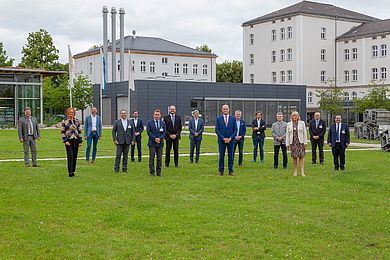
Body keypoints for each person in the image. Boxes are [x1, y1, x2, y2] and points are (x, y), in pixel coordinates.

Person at [215, 104, 237, 176]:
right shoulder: (218, 119)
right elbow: (217, 130)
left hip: (231, 141)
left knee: (231, 156)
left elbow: (235, 130)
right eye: (224, 109)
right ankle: (221, 171)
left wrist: (230, 138)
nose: (225, 110)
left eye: (226, 109)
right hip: (222, 141)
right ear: (222, 110)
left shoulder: (233, 119)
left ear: (229, 110)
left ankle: (231, 171)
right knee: (221, 156)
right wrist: (223, 138)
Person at [61, 108, 83, 177]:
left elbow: (79, 131)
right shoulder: (65, 121)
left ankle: (73, 171)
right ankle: (70, 172)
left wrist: (80, 141)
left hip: (75, 140)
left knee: (74, 156)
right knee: (70, 156)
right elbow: (62, 132)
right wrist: (65, 140)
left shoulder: (76, 121)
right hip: (69, 140)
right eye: (70, 112)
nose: (71, 114)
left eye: (72, 112)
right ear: (68, 113)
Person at [286, 111, 308, 177]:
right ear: (291, 117)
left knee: (301, 157)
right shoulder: (289, 124)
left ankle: (302, 171)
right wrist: (287, 144)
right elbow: (287, 134)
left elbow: (305, 133)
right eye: (293, 116)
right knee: (294, 157)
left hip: (300, 142)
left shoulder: (302, 123)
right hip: (293, 143)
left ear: (298, 117)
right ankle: (295, 171)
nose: (295, 117)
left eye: (296, 115)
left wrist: (305, 142)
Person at [147, 109, 166, 176]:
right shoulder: (149, 123)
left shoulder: (162, 123)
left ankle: (159, 172)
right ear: (153, 115)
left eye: (158, 115)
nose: (157, 116)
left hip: (160, 143)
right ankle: (152, 172)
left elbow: (164, 132)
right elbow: (149, 132)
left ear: (160, 115)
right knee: (152, 158)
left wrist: (159, 138)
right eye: (155, 114)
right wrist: (154, 138)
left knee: (159, 158)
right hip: (152, 143)